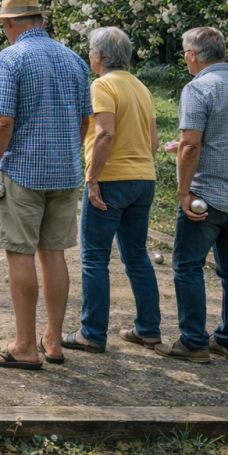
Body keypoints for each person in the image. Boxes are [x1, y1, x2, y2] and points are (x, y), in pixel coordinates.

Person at [0, 0, 92, 370]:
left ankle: (25, 346)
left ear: (11, 23)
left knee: (20, 252)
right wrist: (66, 151)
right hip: (66, 172)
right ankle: (53, 341)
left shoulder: (9, 58)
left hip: (24, 171)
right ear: (39, 20)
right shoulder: (75, 60)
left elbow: (1, 122)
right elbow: (85, 120)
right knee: (54, 253)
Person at [157, 27, 228, 363]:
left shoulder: (198, 88)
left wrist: (183, 191)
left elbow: (192, 144)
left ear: (193, 54)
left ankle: (193, 342)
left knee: (187, 265)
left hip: (206, 195)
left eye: (185, 52)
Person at [62, 27, 162, 355]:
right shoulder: (141, 88)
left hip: (110, 180)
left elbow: (105, 133)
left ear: (99, 56)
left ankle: (92, 333)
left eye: (90, 50)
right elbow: (153, 142)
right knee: (137, 256)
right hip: (144, 179)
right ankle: (149, 329)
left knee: (94, 258)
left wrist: (92, 179)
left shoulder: (102, 85)